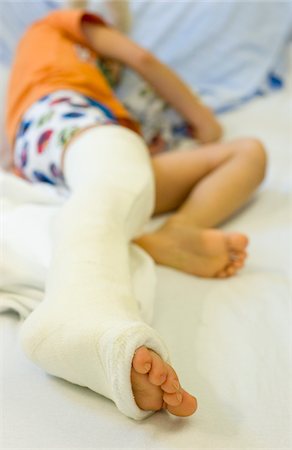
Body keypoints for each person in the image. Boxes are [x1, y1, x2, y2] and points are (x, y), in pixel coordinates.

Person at [5, 9, 266, 420]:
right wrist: (203, 121)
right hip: (64, 121)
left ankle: (178, 232)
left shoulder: (106, 98)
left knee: (249, 153)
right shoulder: (58, 26)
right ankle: (79, 318)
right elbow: (143, 60)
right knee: (116, 175)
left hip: (81, 156)